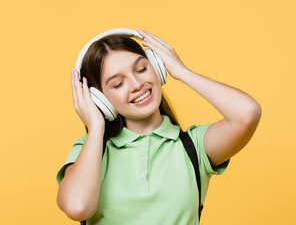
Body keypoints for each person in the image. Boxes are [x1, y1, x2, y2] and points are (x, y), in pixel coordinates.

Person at [56, 27, 262, 224]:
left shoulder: (194, 147)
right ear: (100, 99)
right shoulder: (91, 151)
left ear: (156, 68)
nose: (137, 84)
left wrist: (182, 72)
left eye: (142, 69)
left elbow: (247, 113)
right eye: (118, 83)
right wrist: (95, 127)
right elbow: (77, 207)